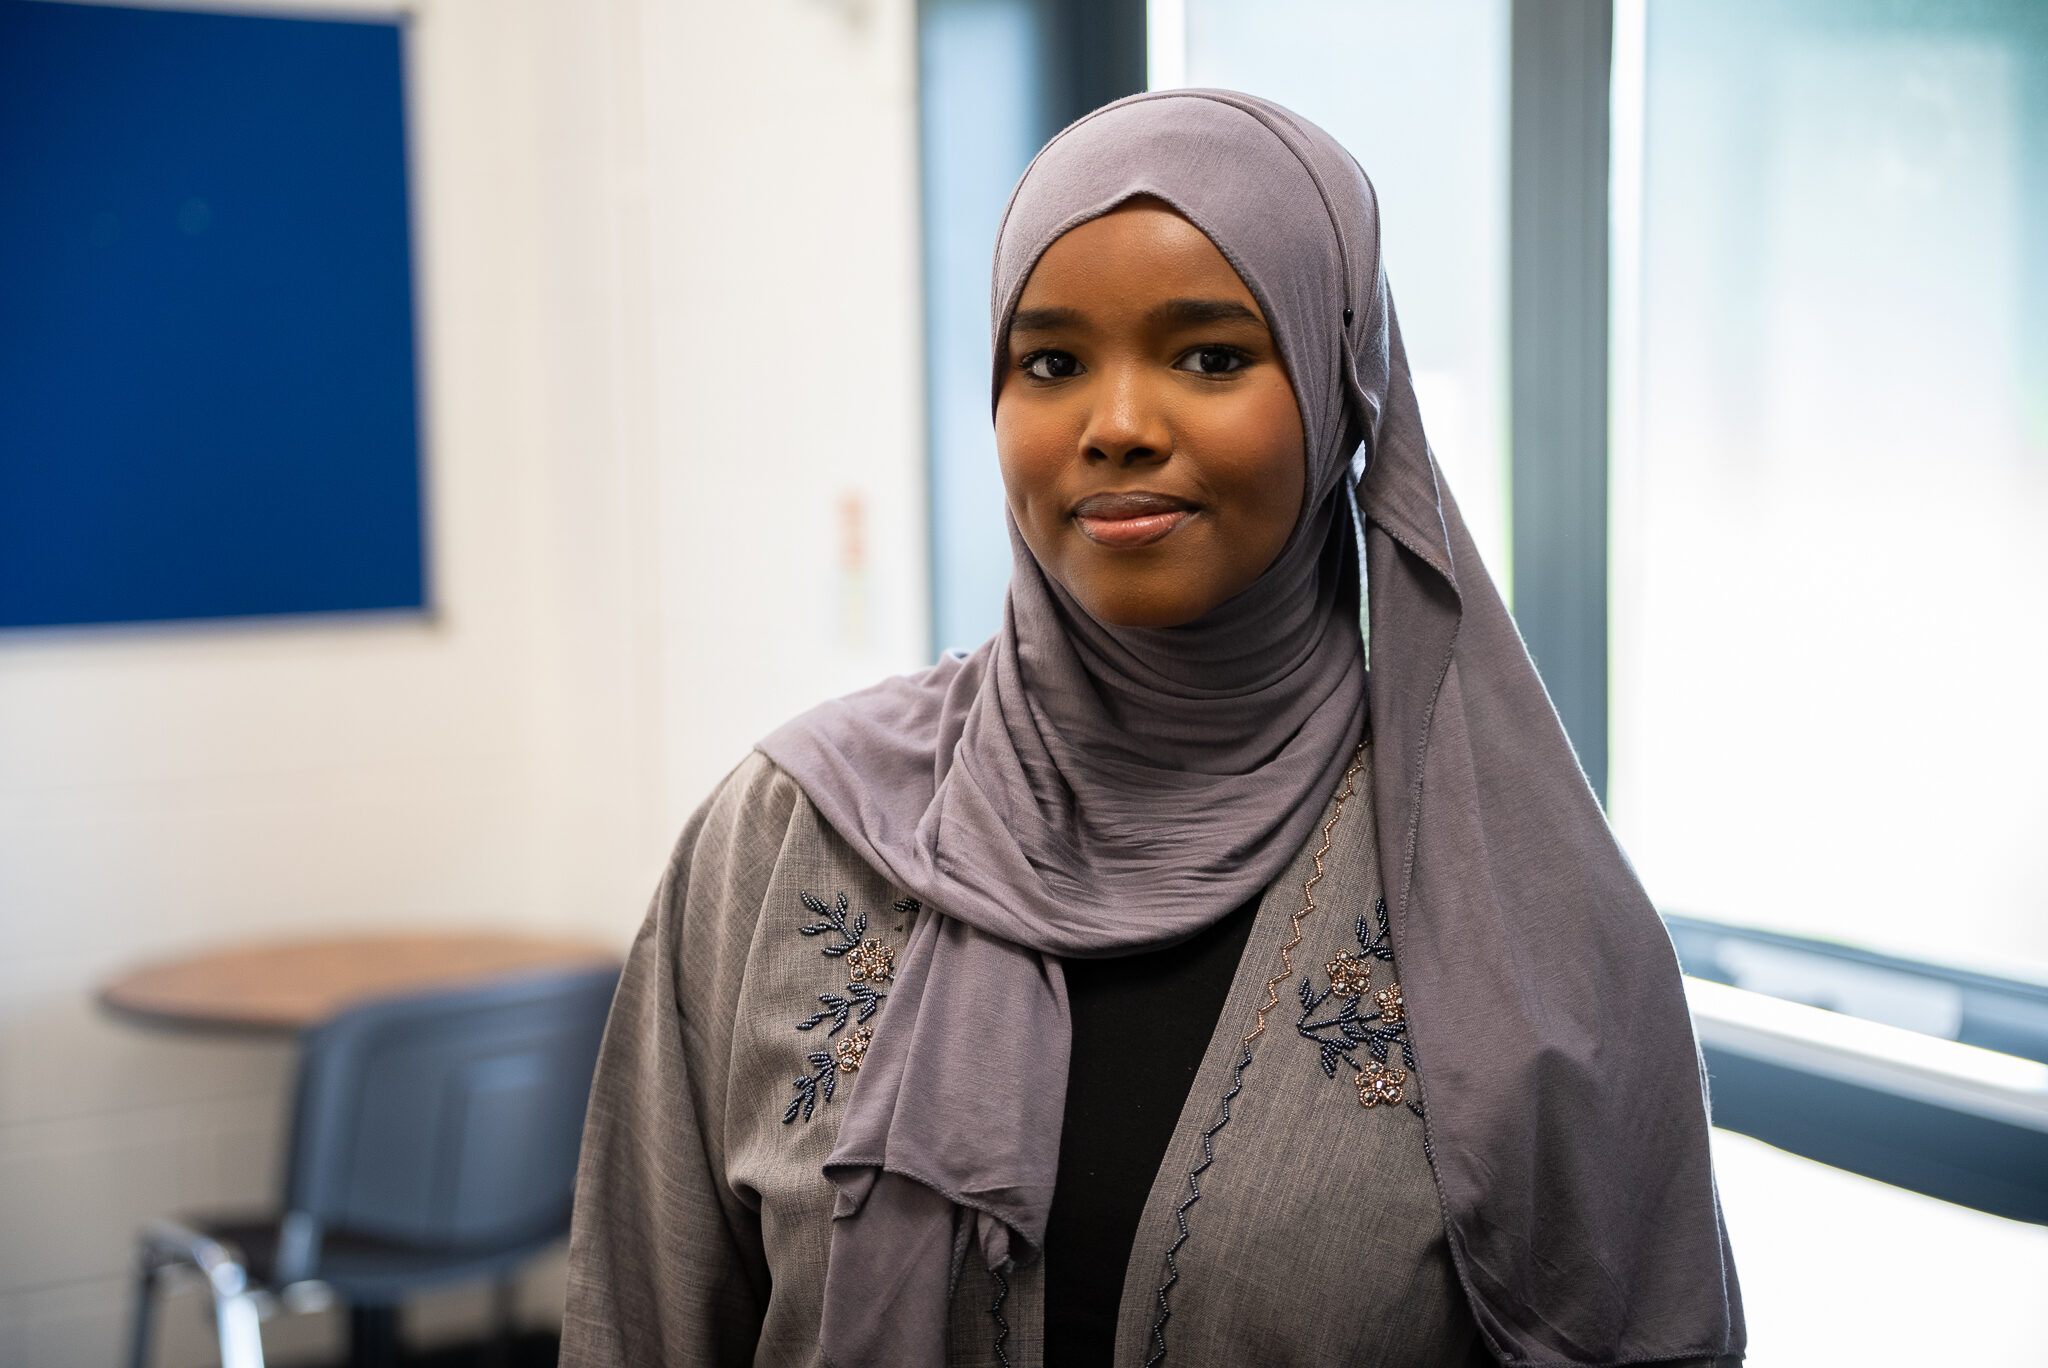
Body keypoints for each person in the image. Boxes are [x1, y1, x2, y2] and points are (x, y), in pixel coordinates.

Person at [561, 91, 1744, 1368]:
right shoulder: (790, 836)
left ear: (1342, 398)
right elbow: (641, 1316)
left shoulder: (1518, 903)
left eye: (1210, 356)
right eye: (1052, 363)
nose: (1114, 424)